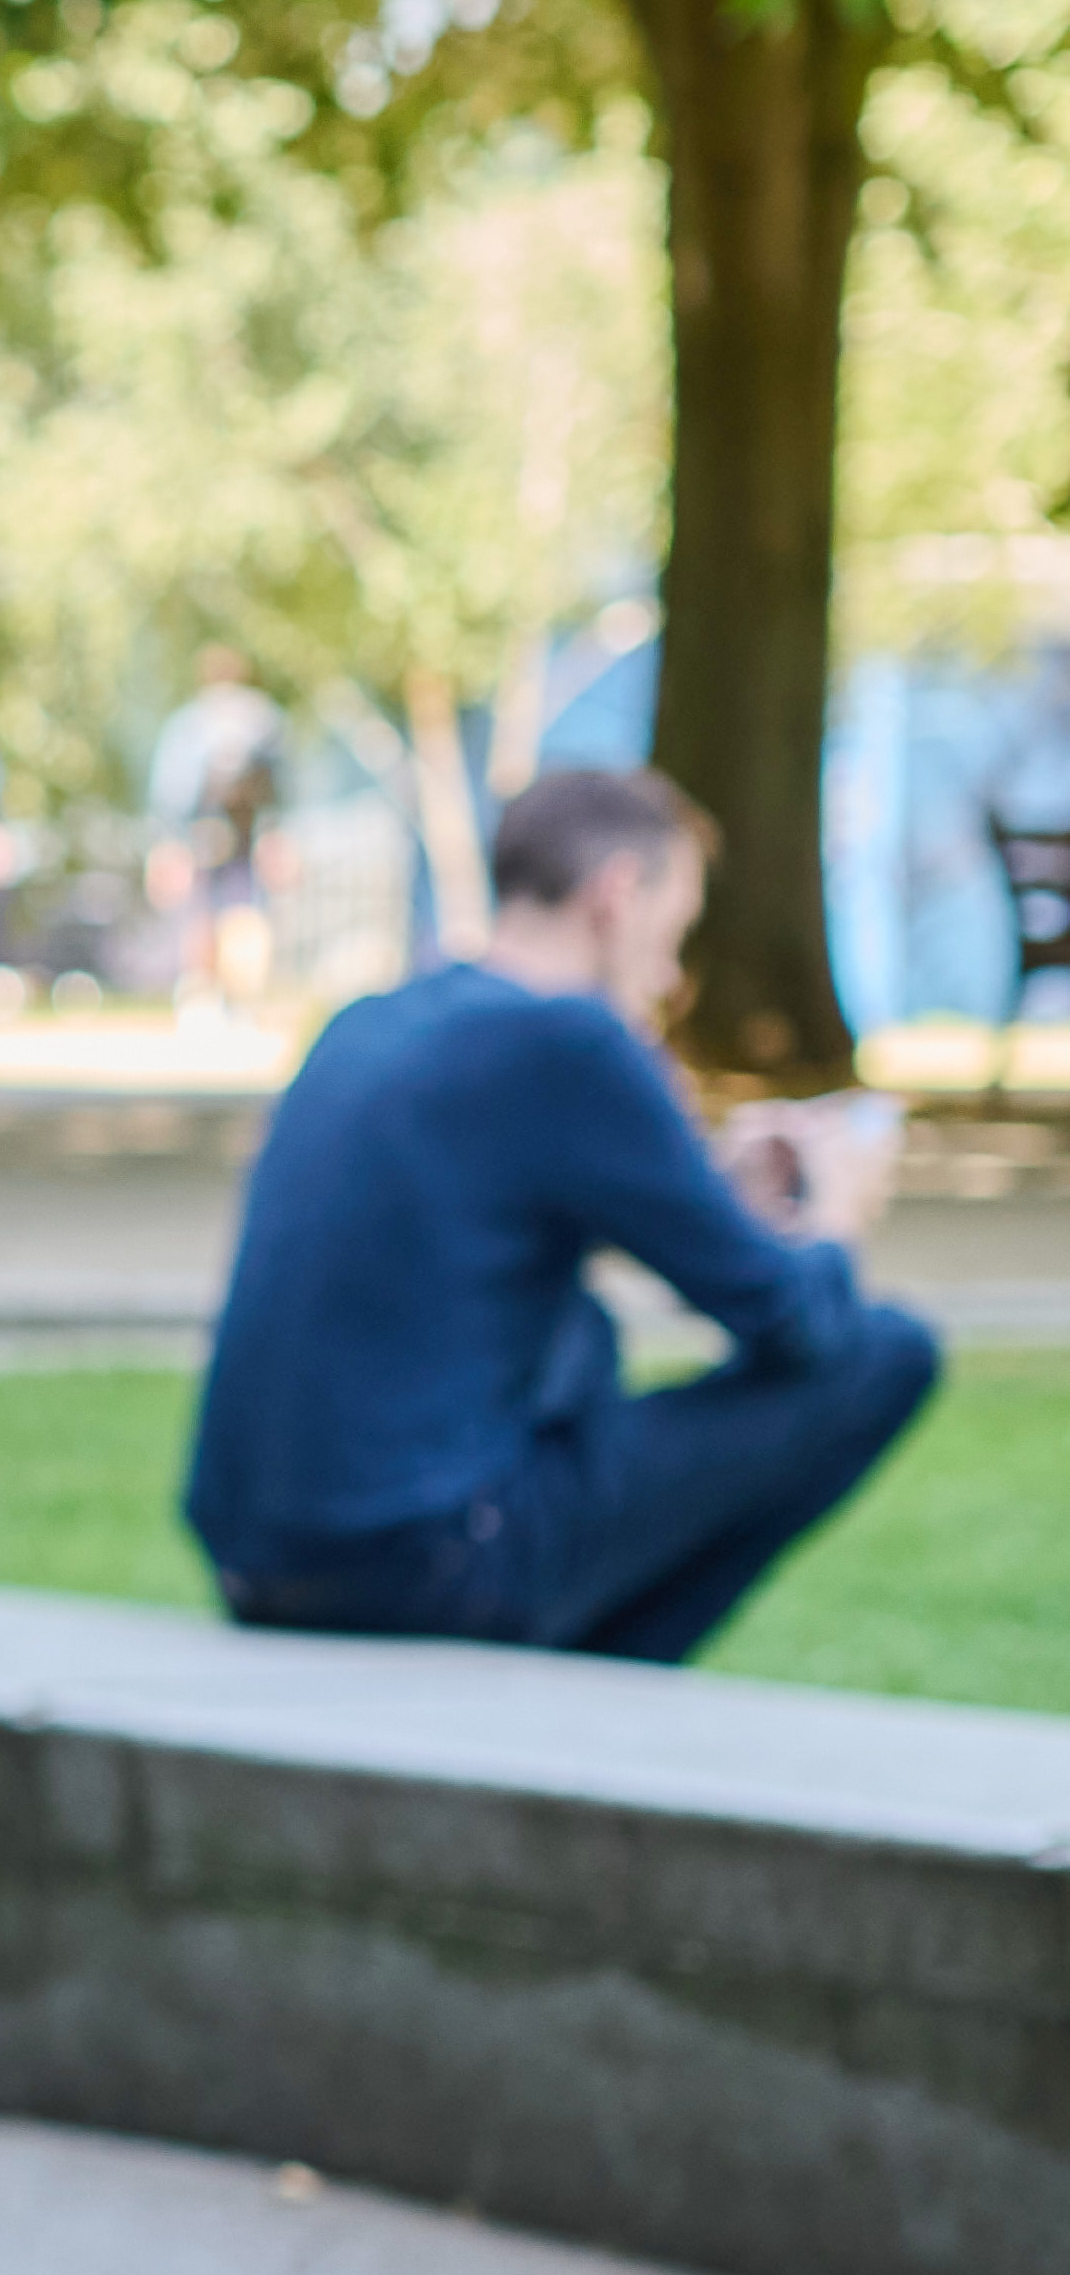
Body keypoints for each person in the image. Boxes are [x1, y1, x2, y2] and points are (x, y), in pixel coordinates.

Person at [188, 764, 940, 1666]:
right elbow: (795, 1330)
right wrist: (835, 1214)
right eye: (675, 934)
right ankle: (603, 1690)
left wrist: (711, 1195)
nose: (669, 976)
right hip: (421, 1558)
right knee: (888, 1353)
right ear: (617, 896)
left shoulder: (372, 1020)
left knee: (584, 1338)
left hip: (260, 1557)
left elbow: (481, 1244)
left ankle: (579, 1687)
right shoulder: (573, 1038)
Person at [150, 647, 290, 1030]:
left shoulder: (260, 721)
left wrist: (274, 833)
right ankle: (204, 995)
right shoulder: (192, 724)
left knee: (242, 917)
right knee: (203, 916)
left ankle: (239, 997)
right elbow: (173, 790)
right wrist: (171, 842)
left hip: (245, 832)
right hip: (205, 829)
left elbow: (277, 787)